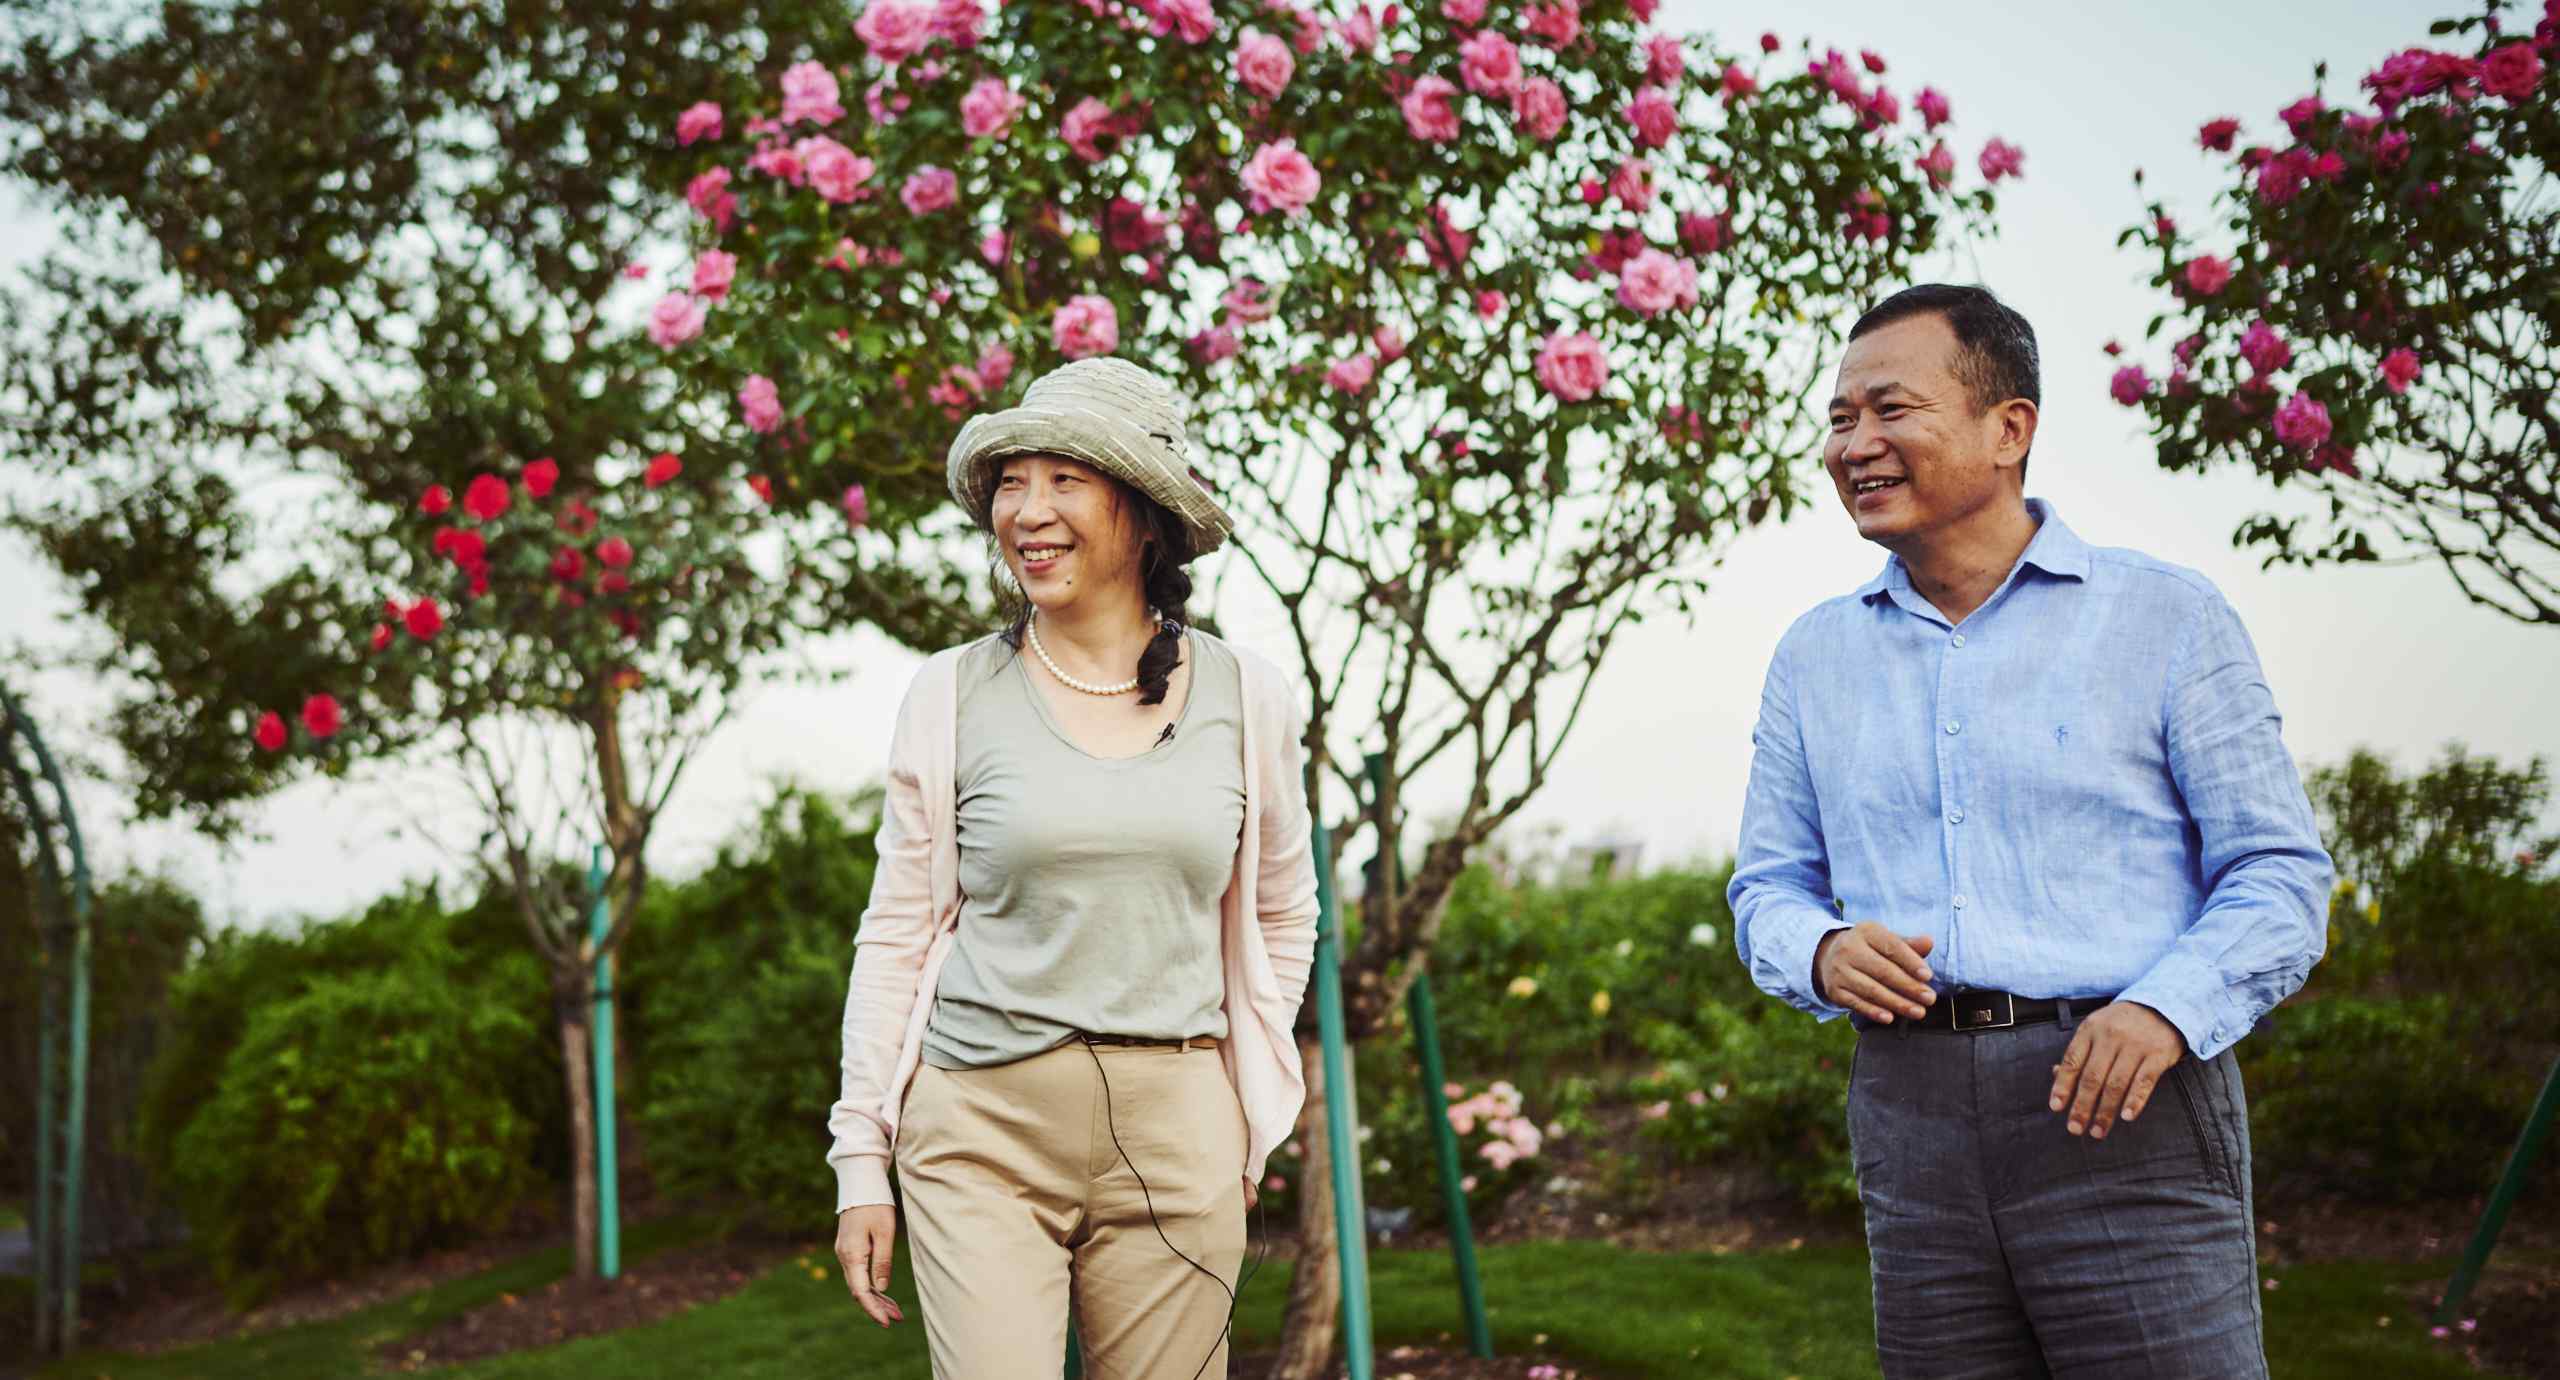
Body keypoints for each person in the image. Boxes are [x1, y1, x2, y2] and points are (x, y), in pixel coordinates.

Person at [1729, 284, 2333, 1377]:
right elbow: (1766, 887)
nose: (1854, 444)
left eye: (1888, 410)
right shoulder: (1812, 657)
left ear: (2009, 429)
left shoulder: (2166, 619)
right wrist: (1816, 950)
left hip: (2124, 1102)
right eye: (1837, 420)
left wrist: (2162, 1009)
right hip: (1908, 1121)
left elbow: (2278, 873)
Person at [824, 356, 1321, 1378]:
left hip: (1178, 1128)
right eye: (1013, 481)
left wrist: (1242, 1112)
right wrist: (860, 1161)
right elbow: (897, 933)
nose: (1027, 512)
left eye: (1065, 480)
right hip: (978, 1129)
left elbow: (1283, 913)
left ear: (1142, 517)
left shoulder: (1248, 695)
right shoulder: (950, 694)